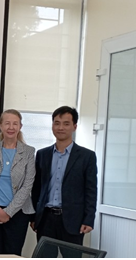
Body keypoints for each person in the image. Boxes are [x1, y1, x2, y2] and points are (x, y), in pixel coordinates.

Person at [31, 106, 97, 257]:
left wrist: (89, 218)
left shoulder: (87, 156)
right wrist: (34, 217)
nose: (60, 127)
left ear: (74, 127)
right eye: (57, 123)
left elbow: (91, 190)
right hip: (45, 218)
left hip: (73, 220)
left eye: (66, 124)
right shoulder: (42, 154)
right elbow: (37, 188)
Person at [0, 109, 36, 256]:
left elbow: (27, 186)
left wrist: (8, 212)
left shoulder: (29, 152)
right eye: (7, 123)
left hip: (18, 213)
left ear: (20, 126)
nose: (11, 127)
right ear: (0, 125)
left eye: (15, 124)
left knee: (13, 254)